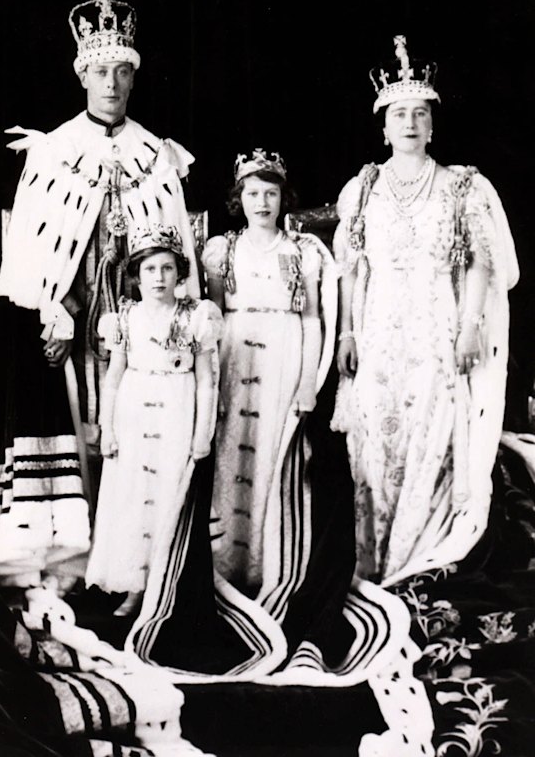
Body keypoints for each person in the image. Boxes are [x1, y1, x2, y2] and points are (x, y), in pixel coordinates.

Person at [0, 0, 200, 589]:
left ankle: (136, 562)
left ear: (134, 75)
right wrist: (53, 309)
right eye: (101, 72)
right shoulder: (51, 153)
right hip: (74, 318)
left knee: (137, 429)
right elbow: (29, 254)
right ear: (82, 74)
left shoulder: (156, 154)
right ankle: (75, 562)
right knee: (80, 425)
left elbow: (177, 248)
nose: (112, 83)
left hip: (140, 318)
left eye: (123, 71)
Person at [331, 35, 519, 585]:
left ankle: (416, 565)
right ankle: (372, 566)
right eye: (398, 114)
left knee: (431, 437)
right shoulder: (362, 188)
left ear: (432, 125)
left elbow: (482, 266)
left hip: (438, 328)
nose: (409, 123)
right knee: (375, 441)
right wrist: (347, 333)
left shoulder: (463, 185)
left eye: (419, 113)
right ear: (382, 125)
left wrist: (470, 327)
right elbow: (352, 268)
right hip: (379, 329)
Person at [202, 149, 338, 598]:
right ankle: (226, 568)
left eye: (271, 193)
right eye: (253, 193)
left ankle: (269, 568)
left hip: (283, 356)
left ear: (284, 198)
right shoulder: (223, 251)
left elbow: (313, 320)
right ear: (238, 198)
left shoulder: (302, 252)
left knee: (272, 462)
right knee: (230, 462)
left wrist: (306, 383)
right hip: (235, 359)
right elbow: (216, 316)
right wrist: (214, 382)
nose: (262, 203)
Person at [84, 225, 222, 615]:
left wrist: (202, 435)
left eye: (166, 269)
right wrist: (107, 428)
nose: (158, 278)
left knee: (168, 496)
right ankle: (134, 585)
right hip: (133, 410)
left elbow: (206, 381)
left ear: (180, 273)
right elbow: (113, 378)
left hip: (176, 409)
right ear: (136, 275)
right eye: (149, 269)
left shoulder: (197, 316)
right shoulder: (125, 319)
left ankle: (167, 584)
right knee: (131, 495)